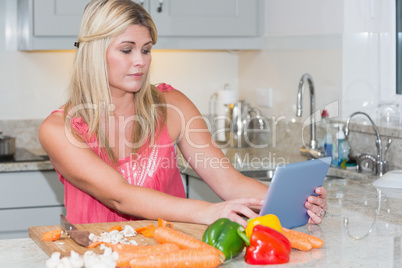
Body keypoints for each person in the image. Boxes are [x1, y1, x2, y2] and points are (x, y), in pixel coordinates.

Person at [39, 0, 327, 227]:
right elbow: (120, 195)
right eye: (127, 50)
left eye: (146, 49)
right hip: (101, 257)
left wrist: (295, 203)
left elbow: (229, 182)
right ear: (93, 52)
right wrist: (207, 212)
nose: (140, 61)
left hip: (173, 252)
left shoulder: (172, 106)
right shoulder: (60, 129)